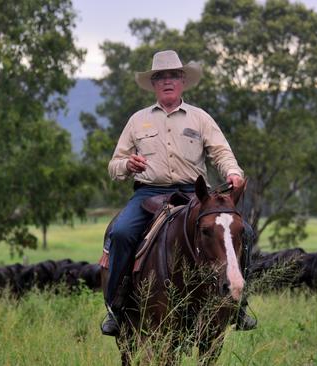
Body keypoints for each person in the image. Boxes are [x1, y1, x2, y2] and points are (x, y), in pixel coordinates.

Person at [101, 50, 256, 336]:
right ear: (154, 84)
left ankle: (239, 303)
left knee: (243, 231)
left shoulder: (200, 118)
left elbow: (221, 152)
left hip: (194, 193)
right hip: (148, 194)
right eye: (161, 77)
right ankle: (117, 306)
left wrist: (232, 172)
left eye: (173, 75)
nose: (167, 81)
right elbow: (114, 166)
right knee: (121, 233)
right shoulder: (137, 121)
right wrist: (127, 164)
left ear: (182, 80)